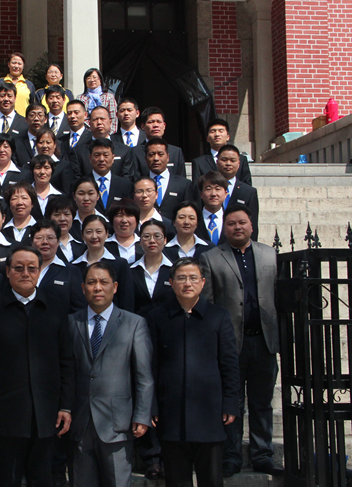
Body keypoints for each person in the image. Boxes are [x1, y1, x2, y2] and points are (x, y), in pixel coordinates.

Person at [0, 247, 74, 487]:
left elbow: (66, 361)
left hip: (46, 410)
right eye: (18, 268)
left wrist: (66, 406)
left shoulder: (56, 307)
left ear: (40, 271)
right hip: (5, 412)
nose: (25, 273)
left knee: (42, 477)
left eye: (32, 268)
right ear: (7, 272)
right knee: (8, 478)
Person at [199, 205, 283, 478]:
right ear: (224, 227)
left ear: (252, 226)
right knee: (232, 404)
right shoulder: (211, 257)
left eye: (242, 223)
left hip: (263, 342)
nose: (238, 227)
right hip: (231, 344)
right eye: (232, 223)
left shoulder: (270, 254)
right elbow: (208, 303)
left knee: (262, 402)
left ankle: (263, 455)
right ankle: (231, 456)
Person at [147, 258, 238, 487]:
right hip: (171, 412)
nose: (187, 283)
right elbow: (150, 366)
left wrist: (230, 403)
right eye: (181, 278)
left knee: (211, 480)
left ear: (203, 282)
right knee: (177, 481)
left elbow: (229, 365)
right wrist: (152, 406)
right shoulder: (158, 317)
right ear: (171, 282)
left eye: (193, 278)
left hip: (210, 412)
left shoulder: (219, 316)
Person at [69, 261, 153, 487]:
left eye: (103, 282)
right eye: (91, 282)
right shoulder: (70, 323)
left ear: (115, 287)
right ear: (83, 288)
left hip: (118, 423)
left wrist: (142, 415)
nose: (97, 287)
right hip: (80, 421)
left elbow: (144, 377)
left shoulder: (134, 324)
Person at [73, 215, 135, 313]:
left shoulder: (120, 264)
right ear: (82, 236)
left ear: (106, 234)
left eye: (99, 231)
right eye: (89, 232)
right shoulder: (74, 266)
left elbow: (127, 299)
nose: (94, 236)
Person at [30, 219, 86, 313]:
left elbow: (79, 310)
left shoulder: (71, 272)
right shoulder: (21, 270)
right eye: (39, 237)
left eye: (50, 238)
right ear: (31, 242)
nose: (45, 242)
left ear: (58, 242)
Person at [69, 108, 138, 183]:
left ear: (110, 122)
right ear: (89, 123)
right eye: (95, 119)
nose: (99, 122)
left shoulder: (124, 150)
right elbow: (76, 179)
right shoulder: (78, 151)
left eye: (102, 119)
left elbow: (127, 179)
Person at [142, 137, 195, 221]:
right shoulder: (139, 184)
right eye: (151, 155)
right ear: (145, 158)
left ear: (168, 157)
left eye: (160, 154)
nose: (156, 158)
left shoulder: (184, 184)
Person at [130, 219, 174, 316]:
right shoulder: (131, 270)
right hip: (138, 326)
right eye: (146, 237)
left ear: (165, 240)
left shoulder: (174, 270)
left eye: (157, 236)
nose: (152, 241)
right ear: (140, 241)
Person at [215, 145, 259, 239]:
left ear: (239, 164)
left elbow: (253, 225)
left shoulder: (249, 192)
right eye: (224, 159)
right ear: (217, 162)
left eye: (232, 160)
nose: (228, 163)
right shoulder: (208, 190)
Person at [190, 119, 252, 185]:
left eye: (221, 131)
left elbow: (247, 186)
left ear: (228, 137)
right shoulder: (199, 163)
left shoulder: (241, 159)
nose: (217, 134)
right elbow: (197, 188)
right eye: (213, 131)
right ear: (207, 138)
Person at [134, 107, 186, 178]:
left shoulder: (176, 152)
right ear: (143, 126)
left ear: (164, 126)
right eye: (151, 122)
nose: (155, 125)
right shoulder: (135, 152)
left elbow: (181, 181)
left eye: (159, 122)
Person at [194, 172, 228, 247]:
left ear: (225, 194)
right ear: (201, 194)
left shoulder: (231, 220)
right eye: (208, 189)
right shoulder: (194, 219)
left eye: (217, 189)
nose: (213, 194)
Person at [28, 154, 63, 219]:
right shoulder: (25, 195)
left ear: (52, 170)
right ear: (32, 171)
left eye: (46, 168)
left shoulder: (60, 196)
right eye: (38, 168)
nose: (42, 172)